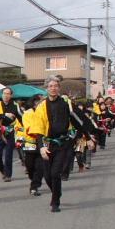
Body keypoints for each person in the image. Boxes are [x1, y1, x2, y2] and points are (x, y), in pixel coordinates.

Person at [29, 76, 92, 213]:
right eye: (50, 86)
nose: (53, 88)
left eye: (56, 86)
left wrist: (88, 137)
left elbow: (77, 122)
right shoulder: (41, 107)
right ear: (47, 88)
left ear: (59, 88)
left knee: (55, 173)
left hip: (63, 143)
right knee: (47, 176)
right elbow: (38, 129)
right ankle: (56, 192)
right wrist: (41, 147)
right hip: (47, 144)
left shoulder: (65, 104)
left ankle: (55, 202)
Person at [0, 87, 22, 182]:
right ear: (2, 94)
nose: (6, 95)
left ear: (11, 95)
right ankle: (2, 170)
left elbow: (21, 117)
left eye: (8, 94)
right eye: (4, 93)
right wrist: (5, 115)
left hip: (10, 132)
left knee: (8, 154)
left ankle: (8, 175)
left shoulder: (15, 105)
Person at [20, 97, 44, 196]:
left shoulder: (44, 113)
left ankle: (34, 186)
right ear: (34, 103)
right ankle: (33, 179)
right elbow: (28, 127)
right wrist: (38, 131)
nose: (41, 104)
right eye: (39, 102)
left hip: (42, 143)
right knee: (29, 166)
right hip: (30, 142)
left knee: (40, 167)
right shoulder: (27, 113)